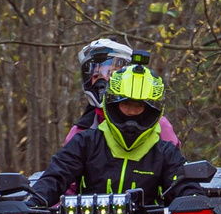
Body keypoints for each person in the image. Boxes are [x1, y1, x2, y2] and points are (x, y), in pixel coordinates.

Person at [32, 65, 188, 206]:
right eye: (125, 104)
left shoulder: (166, 152)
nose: (131, 112)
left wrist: (192, 198)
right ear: (113, 103)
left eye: (138, 106)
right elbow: (55, 177)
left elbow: (184, 185)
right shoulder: (85, 142)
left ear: (151, 110)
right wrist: (34, 201)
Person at [72, 36, 179, 145]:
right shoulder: (81, 129)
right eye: (97, 76)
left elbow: (175, 159)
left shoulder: (156, 124)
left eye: (111, 74)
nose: (103, 81)